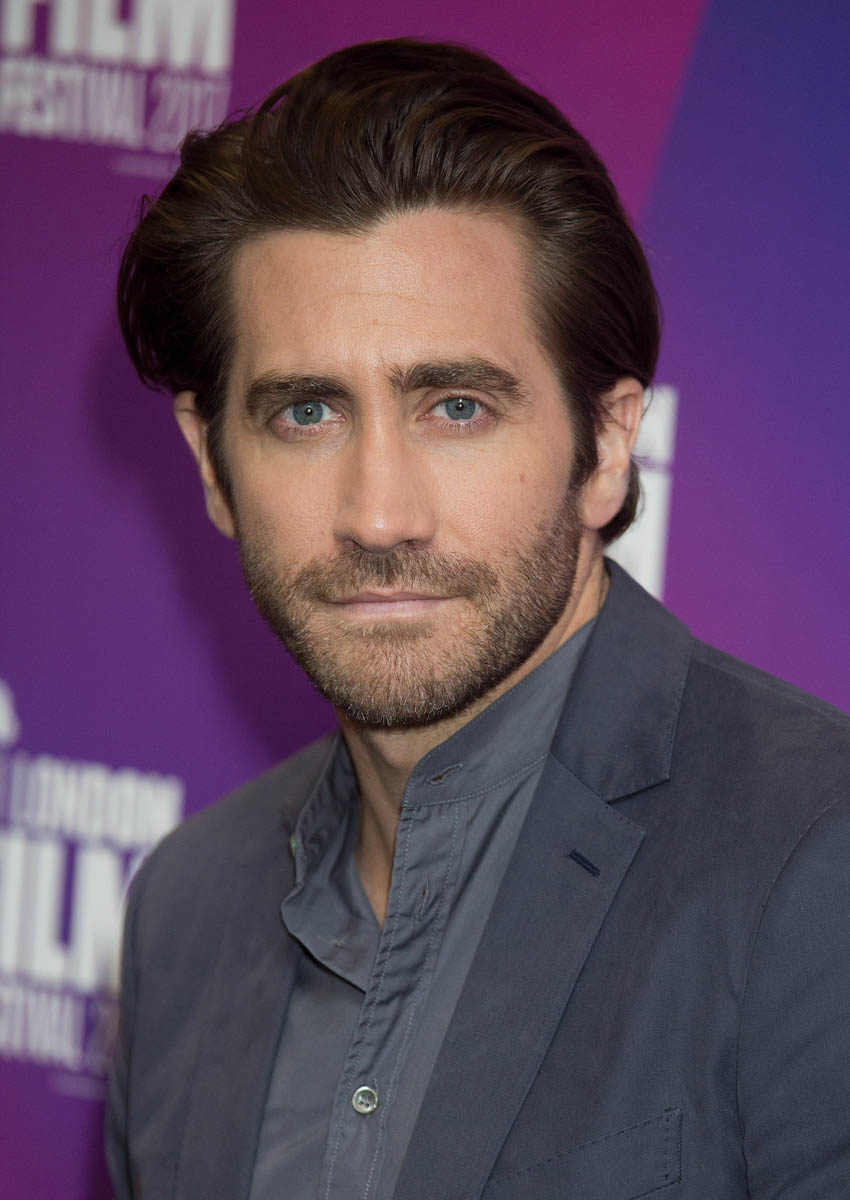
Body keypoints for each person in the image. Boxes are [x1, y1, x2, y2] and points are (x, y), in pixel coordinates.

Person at [106, 38, 850, 1200]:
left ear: (605, 446)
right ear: (212, 462)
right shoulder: (183, 911)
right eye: (307, 413)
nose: (378, 514)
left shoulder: (818, 866)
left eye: (456, 407)